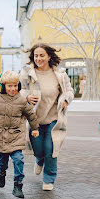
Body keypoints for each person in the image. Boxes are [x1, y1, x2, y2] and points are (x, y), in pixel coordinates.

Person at [20, 43, 74, 191]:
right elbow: (20, 90)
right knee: (38, 149)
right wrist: (27, 96)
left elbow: (69, 90)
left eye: (42, 55)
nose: (39, 58)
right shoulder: (27, 73)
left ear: (49, 56)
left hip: (54, 118)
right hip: (34, 119)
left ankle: (49, 179)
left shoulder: (60, 74)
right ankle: (39, 160)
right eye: (36, 55)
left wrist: (65, 100)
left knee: (51, 148)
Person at [0, 70, 39, 198]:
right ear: (2, 86)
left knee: (18, 159)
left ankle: (18, 185)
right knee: (3, 161)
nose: (12, 88)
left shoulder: (21, 100)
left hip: (16, 135)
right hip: (0, 137)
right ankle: (1, 173)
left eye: (15, 85)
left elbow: (31, 115)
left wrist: (35, 129)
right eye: (9, 86)